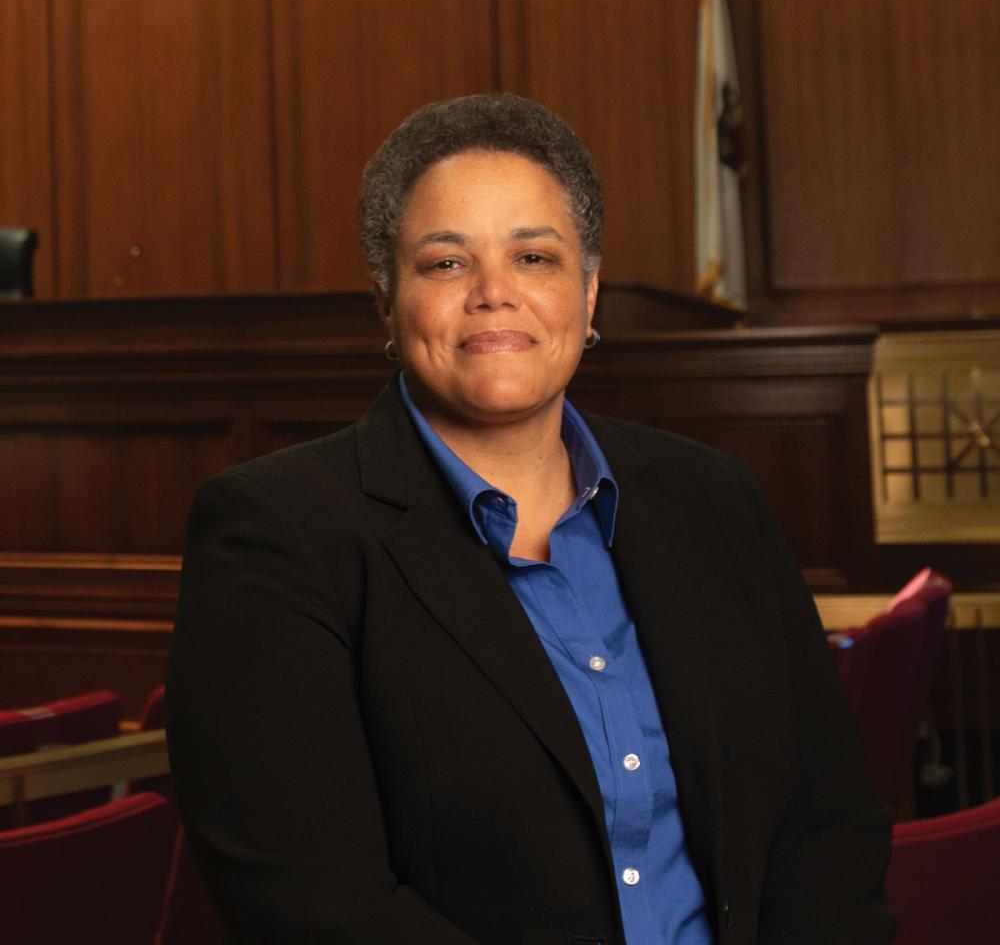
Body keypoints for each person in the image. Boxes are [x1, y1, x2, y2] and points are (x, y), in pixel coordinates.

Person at [167, 94, 897, 944]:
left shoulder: (716, 499)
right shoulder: (274, 535)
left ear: (588, 293)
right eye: (446, 263)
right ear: (387, 301)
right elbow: (313, 904)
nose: (493, 295)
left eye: (535, 257)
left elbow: (827, 825)